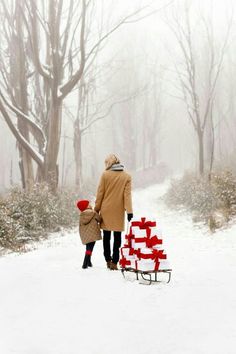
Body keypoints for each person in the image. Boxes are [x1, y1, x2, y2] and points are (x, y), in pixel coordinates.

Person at [95, 154, 133, 270]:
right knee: (117, 237)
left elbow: (100, 194)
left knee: (106, 236)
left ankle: (108, 260)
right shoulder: (126, 176)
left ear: (109, 163)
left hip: (106, 210)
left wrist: (96, 209)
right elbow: (127, 196)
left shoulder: (105, 175)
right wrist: (129, 211)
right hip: (118, 210)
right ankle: (115, 262)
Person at [77, 199, 102, 269]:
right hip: (93, 234)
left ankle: (89, 262)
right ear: (87, 206)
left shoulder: (81, 215)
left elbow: (81, 226)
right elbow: (100, 219)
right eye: (88, 204)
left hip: (85, 235)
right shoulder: (93, 213)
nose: (90, 204)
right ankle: (85, 263)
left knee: (88, 248)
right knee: (90, 248)